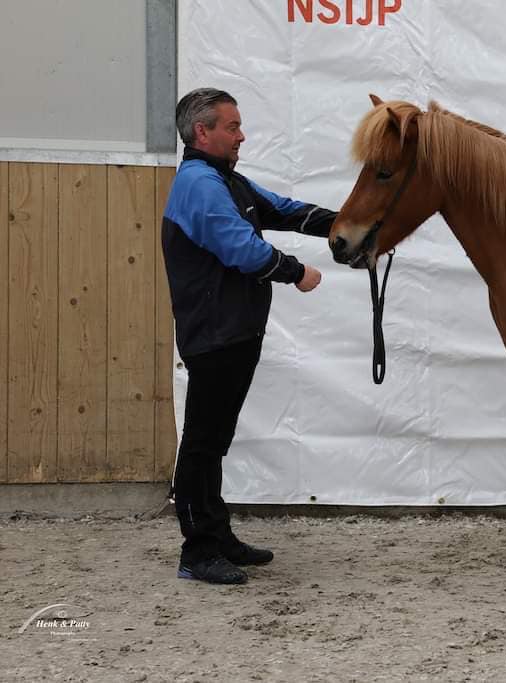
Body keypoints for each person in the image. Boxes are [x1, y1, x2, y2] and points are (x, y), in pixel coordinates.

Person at [162, 88, 336, 584]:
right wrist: (298, 271)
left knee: (214, 439)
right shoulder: (200, 184)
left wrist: (346, 224)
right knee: (201, 441)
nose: (242, 135)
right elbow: (242, 250)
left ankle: (218, 536)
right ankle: (197, 551)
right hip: (215, 333)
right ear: (203, 132)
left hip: (233, 330)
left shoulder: (226, 181)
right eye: (232, 127)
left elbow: (279, 208)